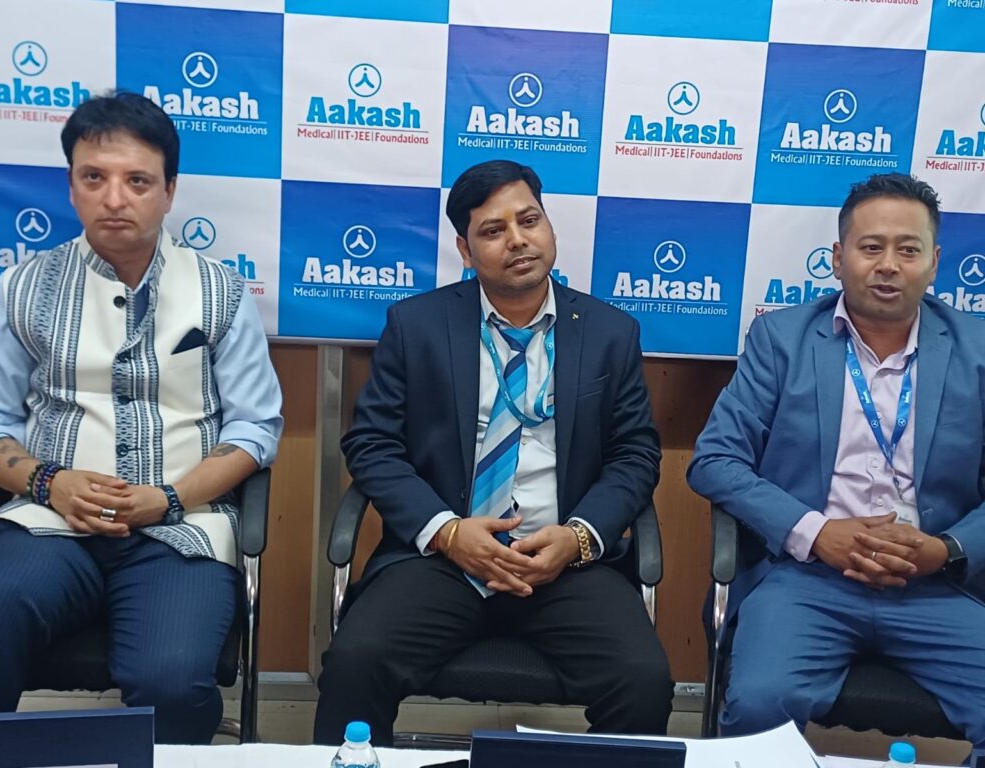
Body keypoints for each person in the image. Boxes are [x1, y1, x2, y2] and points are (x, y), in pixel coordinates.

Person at [0, 91, 283, 744]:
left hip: (182, 529)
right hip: (50, 522)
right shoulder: (23, 287)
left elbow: (255, 427)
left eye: (137, 181)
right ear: (71, 186)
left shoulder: (219, 290)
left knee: (172, 681)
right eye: (94, 178)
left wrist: (167, 498)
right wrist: (51, 483)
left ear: (169, 191)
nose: (114, 199)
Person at [314, 159, 672, 745]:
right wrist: (447, 532)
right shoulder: (417, 325)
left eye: (529, 220)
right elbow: (371, 443)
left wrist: (578, 537)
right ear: (465, 248)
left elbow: (635, 453)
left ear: (548, 226)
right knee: (356, 661)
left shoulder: (610, 332)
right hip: (444, 558)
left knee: (643, 679)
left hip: (564, 559)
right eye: (493, 230)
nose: (518, 240)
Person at [688, 173, 985, 744]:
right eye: (871, 247)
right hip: (806, 579)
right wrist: (816, 532)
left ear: (934, 262)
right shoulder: (781, 339)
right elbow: (715, 459)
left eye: (908, 250)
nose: (888, 265)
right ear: (837, 258)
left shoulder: (975, 351)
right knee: (758, 706)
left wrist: (946, 550)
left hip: (931, 584)